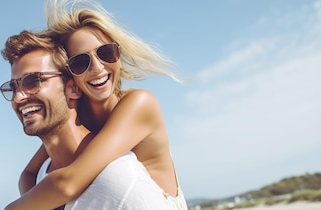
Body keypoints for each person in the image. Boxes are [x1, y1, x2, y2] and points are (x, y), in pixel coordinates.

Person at [10, 0, 188, 209]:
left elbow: (68, 183)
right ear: (69, 79)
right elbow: (29, 174)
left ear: (118, 55)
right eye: (80, 62)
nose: (97, 68)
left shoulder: (138, 104)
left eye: (105, 53)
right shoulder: (82, 116)